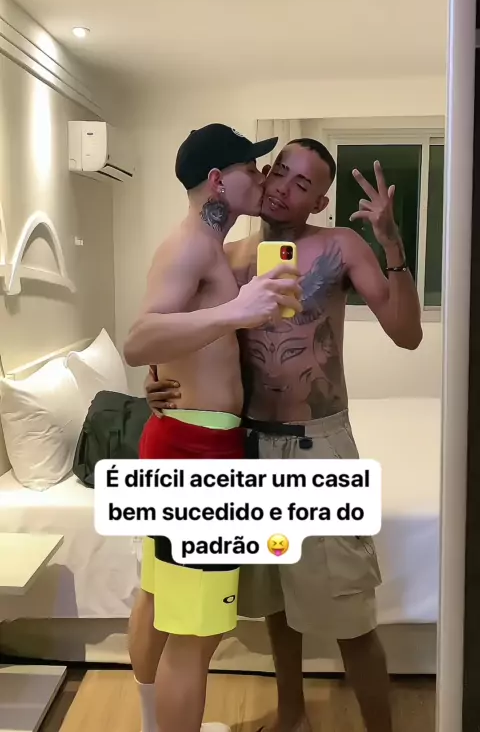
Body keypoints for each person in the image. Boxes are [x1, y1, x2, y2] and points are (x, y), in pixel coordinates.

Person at [146, 137, 423, 732]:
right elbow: (179, 333)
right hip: (248, 446)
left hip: (318, 447)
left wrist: (391, 243)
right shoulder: (227, 256)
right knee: (274, 603)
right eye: (279, 172)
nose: (283, 188)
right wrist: (158, 382)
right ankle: (293, 712)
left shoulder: (341, 245)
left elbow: (407, 334)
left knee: (351, 615)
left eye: (303, 184)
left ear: (319, 200)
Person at [123, 123, 302, 732]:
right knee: (195, 636)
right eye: (251, 169)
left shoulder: (207, 249)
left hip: (185, 442)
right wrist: (237, 311)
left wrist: (168, 365)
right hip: (196, 455)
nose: (262, 178)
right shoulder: (192, 247)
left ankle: (154, 724)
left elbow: (167, 336)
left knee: (158, 601)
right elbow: (138, 338)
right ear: (219, 180)